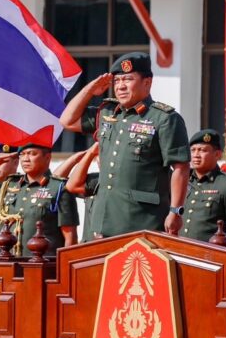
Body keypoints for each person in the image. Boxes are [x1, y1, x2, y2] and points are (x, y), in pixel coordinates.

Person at [58, 51, 190, 238]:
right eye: (117, 81)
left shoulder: (164, 118)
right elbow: (67, 121)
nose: (120, 86)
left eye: (128, 79)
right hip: (104, 219)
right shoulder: (108, 112)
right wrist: (90, 90)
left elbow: (181, 167)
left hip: (143, 220)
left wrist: (175, 211)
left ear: (147, 82)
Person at [0, 143, 78, 257]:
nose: (26, 159)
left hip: (43, 263)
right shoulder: (10, 185)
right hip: (10, 262)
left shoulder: (58, 187)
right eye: (22, 154)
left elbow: (70, 236)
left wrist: (64, 266)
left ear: (47, 157)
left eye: (32, 154)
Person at [183, 129, 226, 252]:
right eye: (193, 150)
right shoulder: (183, 180)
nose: (196, 155)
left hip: (210, 256)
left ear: (217, 155)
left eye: (202, 150)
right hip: (178, 252)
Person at [61, 144, 101, 243]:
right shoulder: (95, 181)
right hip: (89, 246)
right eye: (99, 155)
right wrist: (77, 158)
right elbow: (56, 182)